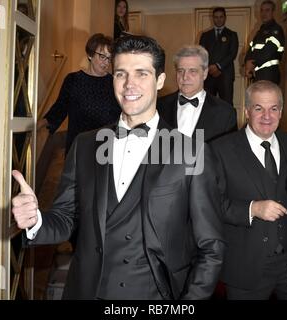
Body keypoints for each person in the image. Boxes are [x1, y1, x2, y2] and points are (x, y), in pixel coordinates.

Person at [12, 35, 226, 300]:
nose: (129, 84)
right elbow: (66, 218)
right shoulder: (86, 144)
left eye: (142, 73)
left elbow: (211, 247)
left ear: (159, 80)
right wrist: (36, 221)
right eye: (120, 73)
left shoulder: (190, 150)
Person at [210, 80, 287, 299]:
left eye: (273, 108)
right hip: (246, 265)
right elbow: (211, 204)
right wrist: (252, 209)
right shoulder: (220, 149)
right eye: (259, 108)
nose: (267, 116)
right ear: (246, 111)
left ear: (281, 112)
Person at [40, 33, 121, 156]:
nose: (106, 62)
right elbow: (60, 108)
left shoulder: (115, 83)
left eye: (109, 58)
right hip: (78, 147)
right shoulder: (73, 80)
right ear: (90, 55)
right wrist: (38, 124)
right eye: (102, 56)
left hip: (106, 148)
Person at [157, 45, 237, 143]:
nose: (185, 77)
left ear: (205, 73)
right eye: (180, 71)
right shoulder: (158, 107)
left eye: (192, 71)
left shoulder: (225, 113)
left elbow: (229, 154)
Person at [199, 7, 238, 105]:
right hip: (209, 75)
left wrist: (218, 66)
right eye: (216, 17)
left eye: (221, 17)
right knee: (208, 104)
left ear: (225, 18)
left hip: (225, 75)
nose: (218, 19)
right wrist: (210, 68)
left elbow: (232, 54)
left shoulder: (232, 35)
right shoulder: (205, 35)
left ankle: (229, 121)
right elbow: (201, 54)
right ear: (213, 18)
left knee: (227, 104)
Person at [244, 0, 285, 85]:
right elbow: (251, 48)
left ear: (273, 12)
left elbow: (269, 50)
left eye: (267, 10)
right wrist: (247, 63)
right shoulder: (260, 31)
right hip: (257, 74)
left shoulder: (276, 29)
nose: (263, 13)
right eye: (262, 10)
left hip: (269, 74)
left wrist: (253, 63)